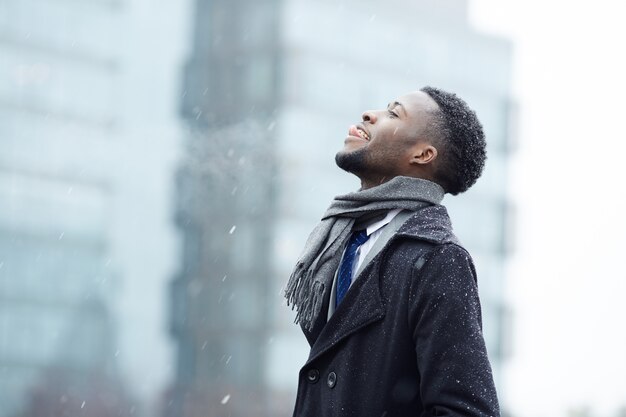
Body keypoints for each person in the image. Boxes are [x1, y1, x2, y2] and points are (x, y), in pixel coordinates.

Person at [284, 86, 500, 416]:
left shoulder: (439, 258)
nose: (370, 115)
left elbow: (465, 409)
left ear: (423, 155)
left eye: (393, 113)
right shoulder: (341, 240)